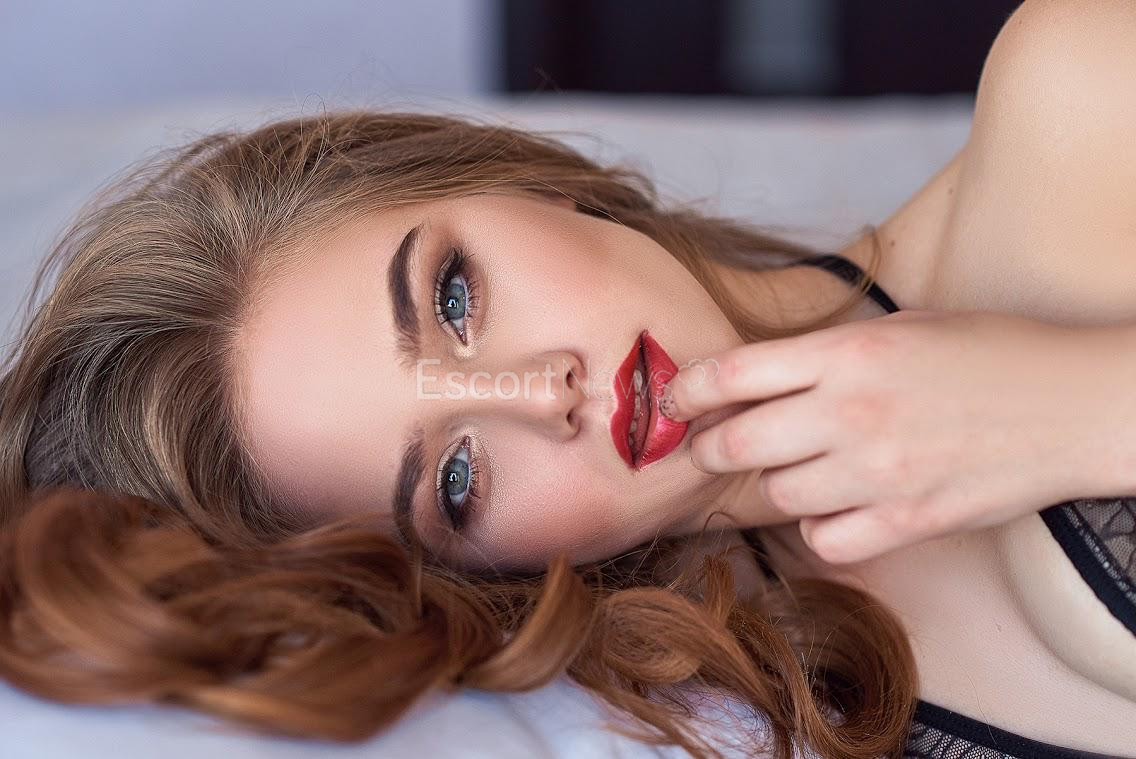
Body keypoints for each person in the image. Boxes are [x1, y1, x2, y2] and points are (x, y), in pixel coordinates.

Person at [1, 2, 1133, 757]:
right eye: (454, 480)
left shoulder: (1081, 94)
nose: (540, 395)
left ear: (517, 181)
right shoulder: (770, 702)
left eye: (452, 298)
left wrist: (1076, 408)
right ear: (477, 571)